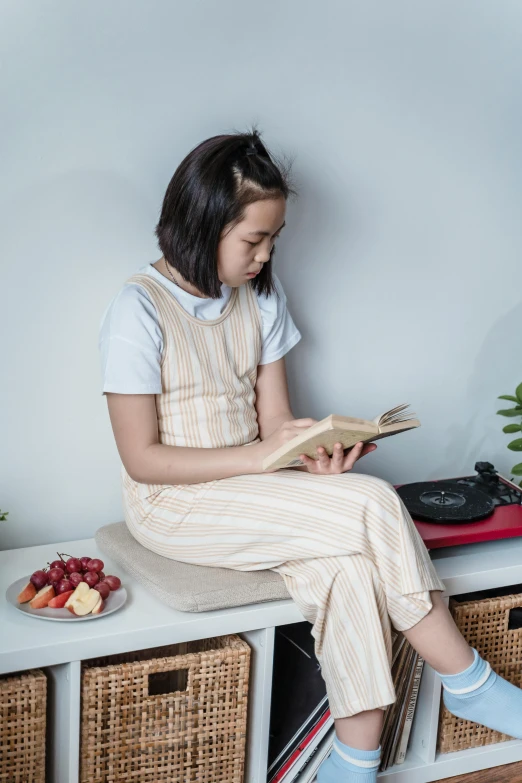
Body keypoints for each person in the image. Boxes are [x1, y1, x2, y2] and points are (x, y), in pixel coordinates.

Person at [99, 129, 522, 782]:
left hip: (249, 489)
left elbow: (274, 425)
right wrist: (264, 459)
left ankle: (350, 766)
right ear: (204, 222)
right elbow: (143, 460)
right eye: (253, 240)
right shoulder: (139, 308)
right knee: (376, 499)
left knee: (348, 566)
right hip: (172, 502)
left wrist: (308, 457)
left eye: (275, 238)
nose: (265, 256)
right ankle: (468, 680)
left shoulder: (262, 297)